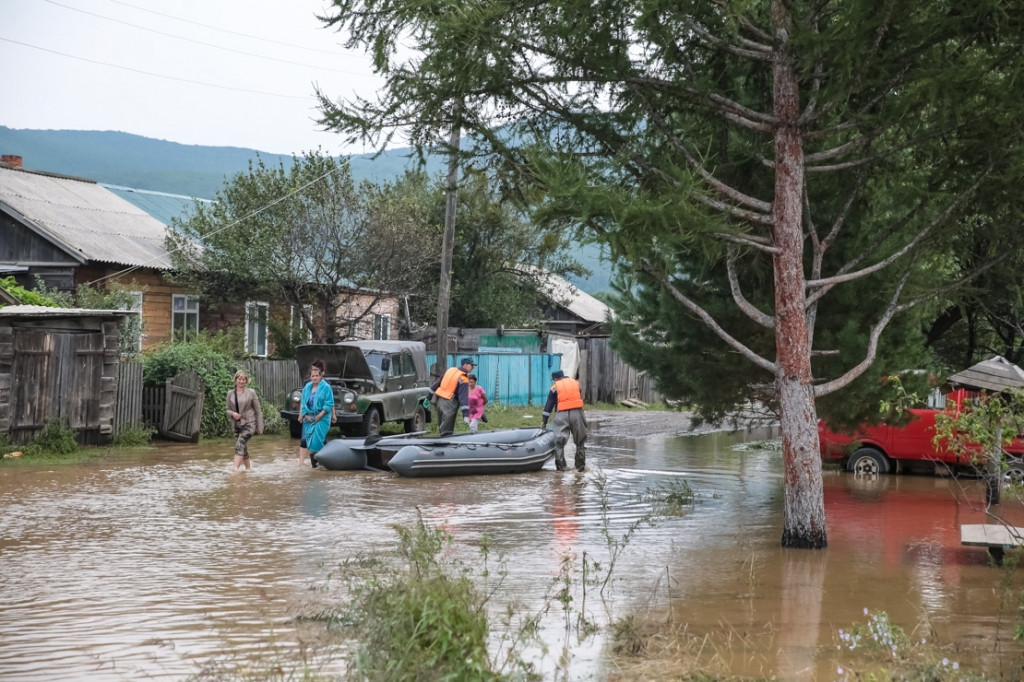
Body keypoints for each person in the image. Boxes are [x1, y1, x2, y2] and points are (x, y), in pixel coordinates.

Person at [541, 369, 588, 472]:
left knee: (559, 443)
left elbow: (549, 405)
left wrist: (544, 421)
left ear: (555, 379)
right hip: (577, 413)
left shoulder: (555, 387)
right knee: (580, 441)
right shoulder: (575, 383)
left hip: (562, 414)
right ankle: (580, 468)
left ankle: (561, 468)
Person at [226, 369, 264, 472]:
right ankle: (249, 470)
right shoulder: (230, 394)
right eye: (239, 379)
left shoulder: (251, 393)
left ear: (246, 381)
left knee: (240, 444)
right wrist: (233, 414)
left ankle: (235, 469)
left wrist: (260, 426)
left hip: (249, 424)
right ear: (235, 380)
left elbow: (258, 410)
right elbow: (227, 409)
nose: (241, 381)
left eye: (243, 379)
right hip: (236, 425)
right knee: (243, 448)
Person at [299, 358, 334, 469]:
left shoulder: (326, 387)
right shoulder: (307, 387)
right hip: (309, 418)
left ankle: (321, 465)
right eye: (313, 376)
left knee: (316, 442)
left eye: (317, 376)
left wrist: (320, 415)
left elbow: (329, 403)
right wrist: (304, 415)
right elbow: (303, 403)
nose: (315, 378)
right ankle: (316, 466)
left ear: (321, 375)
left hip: (322, 417)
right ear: (310, 377)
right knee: (309, 442)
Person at [429, 356, 475, 437]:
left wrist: (428, 397)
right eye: (471, 365)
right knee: (446, 432)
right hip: (450, 403)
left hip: (440, 402)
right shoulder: (463, 378)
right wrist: (466, 415)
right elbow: (463, 397)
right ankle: (444, 444)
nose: (473, 367)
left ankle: (441, 442)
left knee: (442, 427)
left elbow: (437, 383)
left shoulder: (450, 370)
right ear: (465, 365)